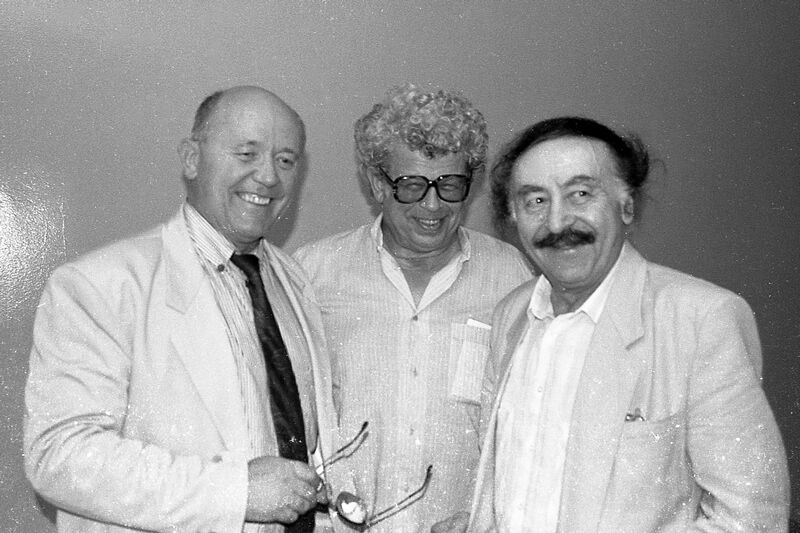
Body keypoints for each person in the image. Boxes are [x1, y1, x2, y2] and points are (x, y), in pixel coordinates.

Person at [437, 116, 790, 532]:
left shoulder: (700, 320)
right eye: (535, 200)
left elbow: (751, 518)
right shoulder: (511, 316)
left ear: (626, 205)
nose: (557, 223)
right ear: (513, 217)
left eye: (581, 194)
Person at [24, 85, 338, 532]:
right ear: (191, 159)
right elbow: (60, 456)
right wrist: (237, 492)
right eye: (247, 154)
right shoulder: (99, 286)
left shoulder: (296, 282)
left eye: (285, 160)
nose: (269, 176)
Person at [293, 84, 532, 532]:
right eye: (411, 186)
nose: (432, 204)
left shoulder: (512, 278)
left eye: (450, 185)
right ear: (377, 183)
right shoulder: (314, 274)